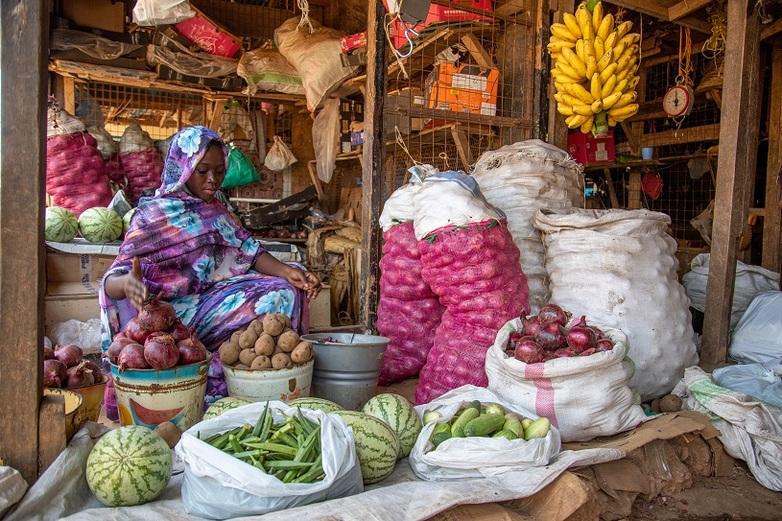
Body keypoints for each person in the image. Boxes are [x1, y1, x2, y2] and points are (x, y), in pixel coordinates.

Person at [100, 126, 320, 413]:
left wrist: (287, 271)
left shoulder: (215, 209)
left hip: (209, 302)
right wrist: (128, 283)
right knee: (276, 289)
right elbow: (111, 280)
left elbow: (247, 250)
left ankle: (264, 375)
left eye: (219, 170)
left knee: (287, 285)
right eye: (202, 170)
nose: (212, 179)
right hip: (169, 321)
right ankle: (215, 378)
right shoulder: (153, 214)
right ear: (183, 167)